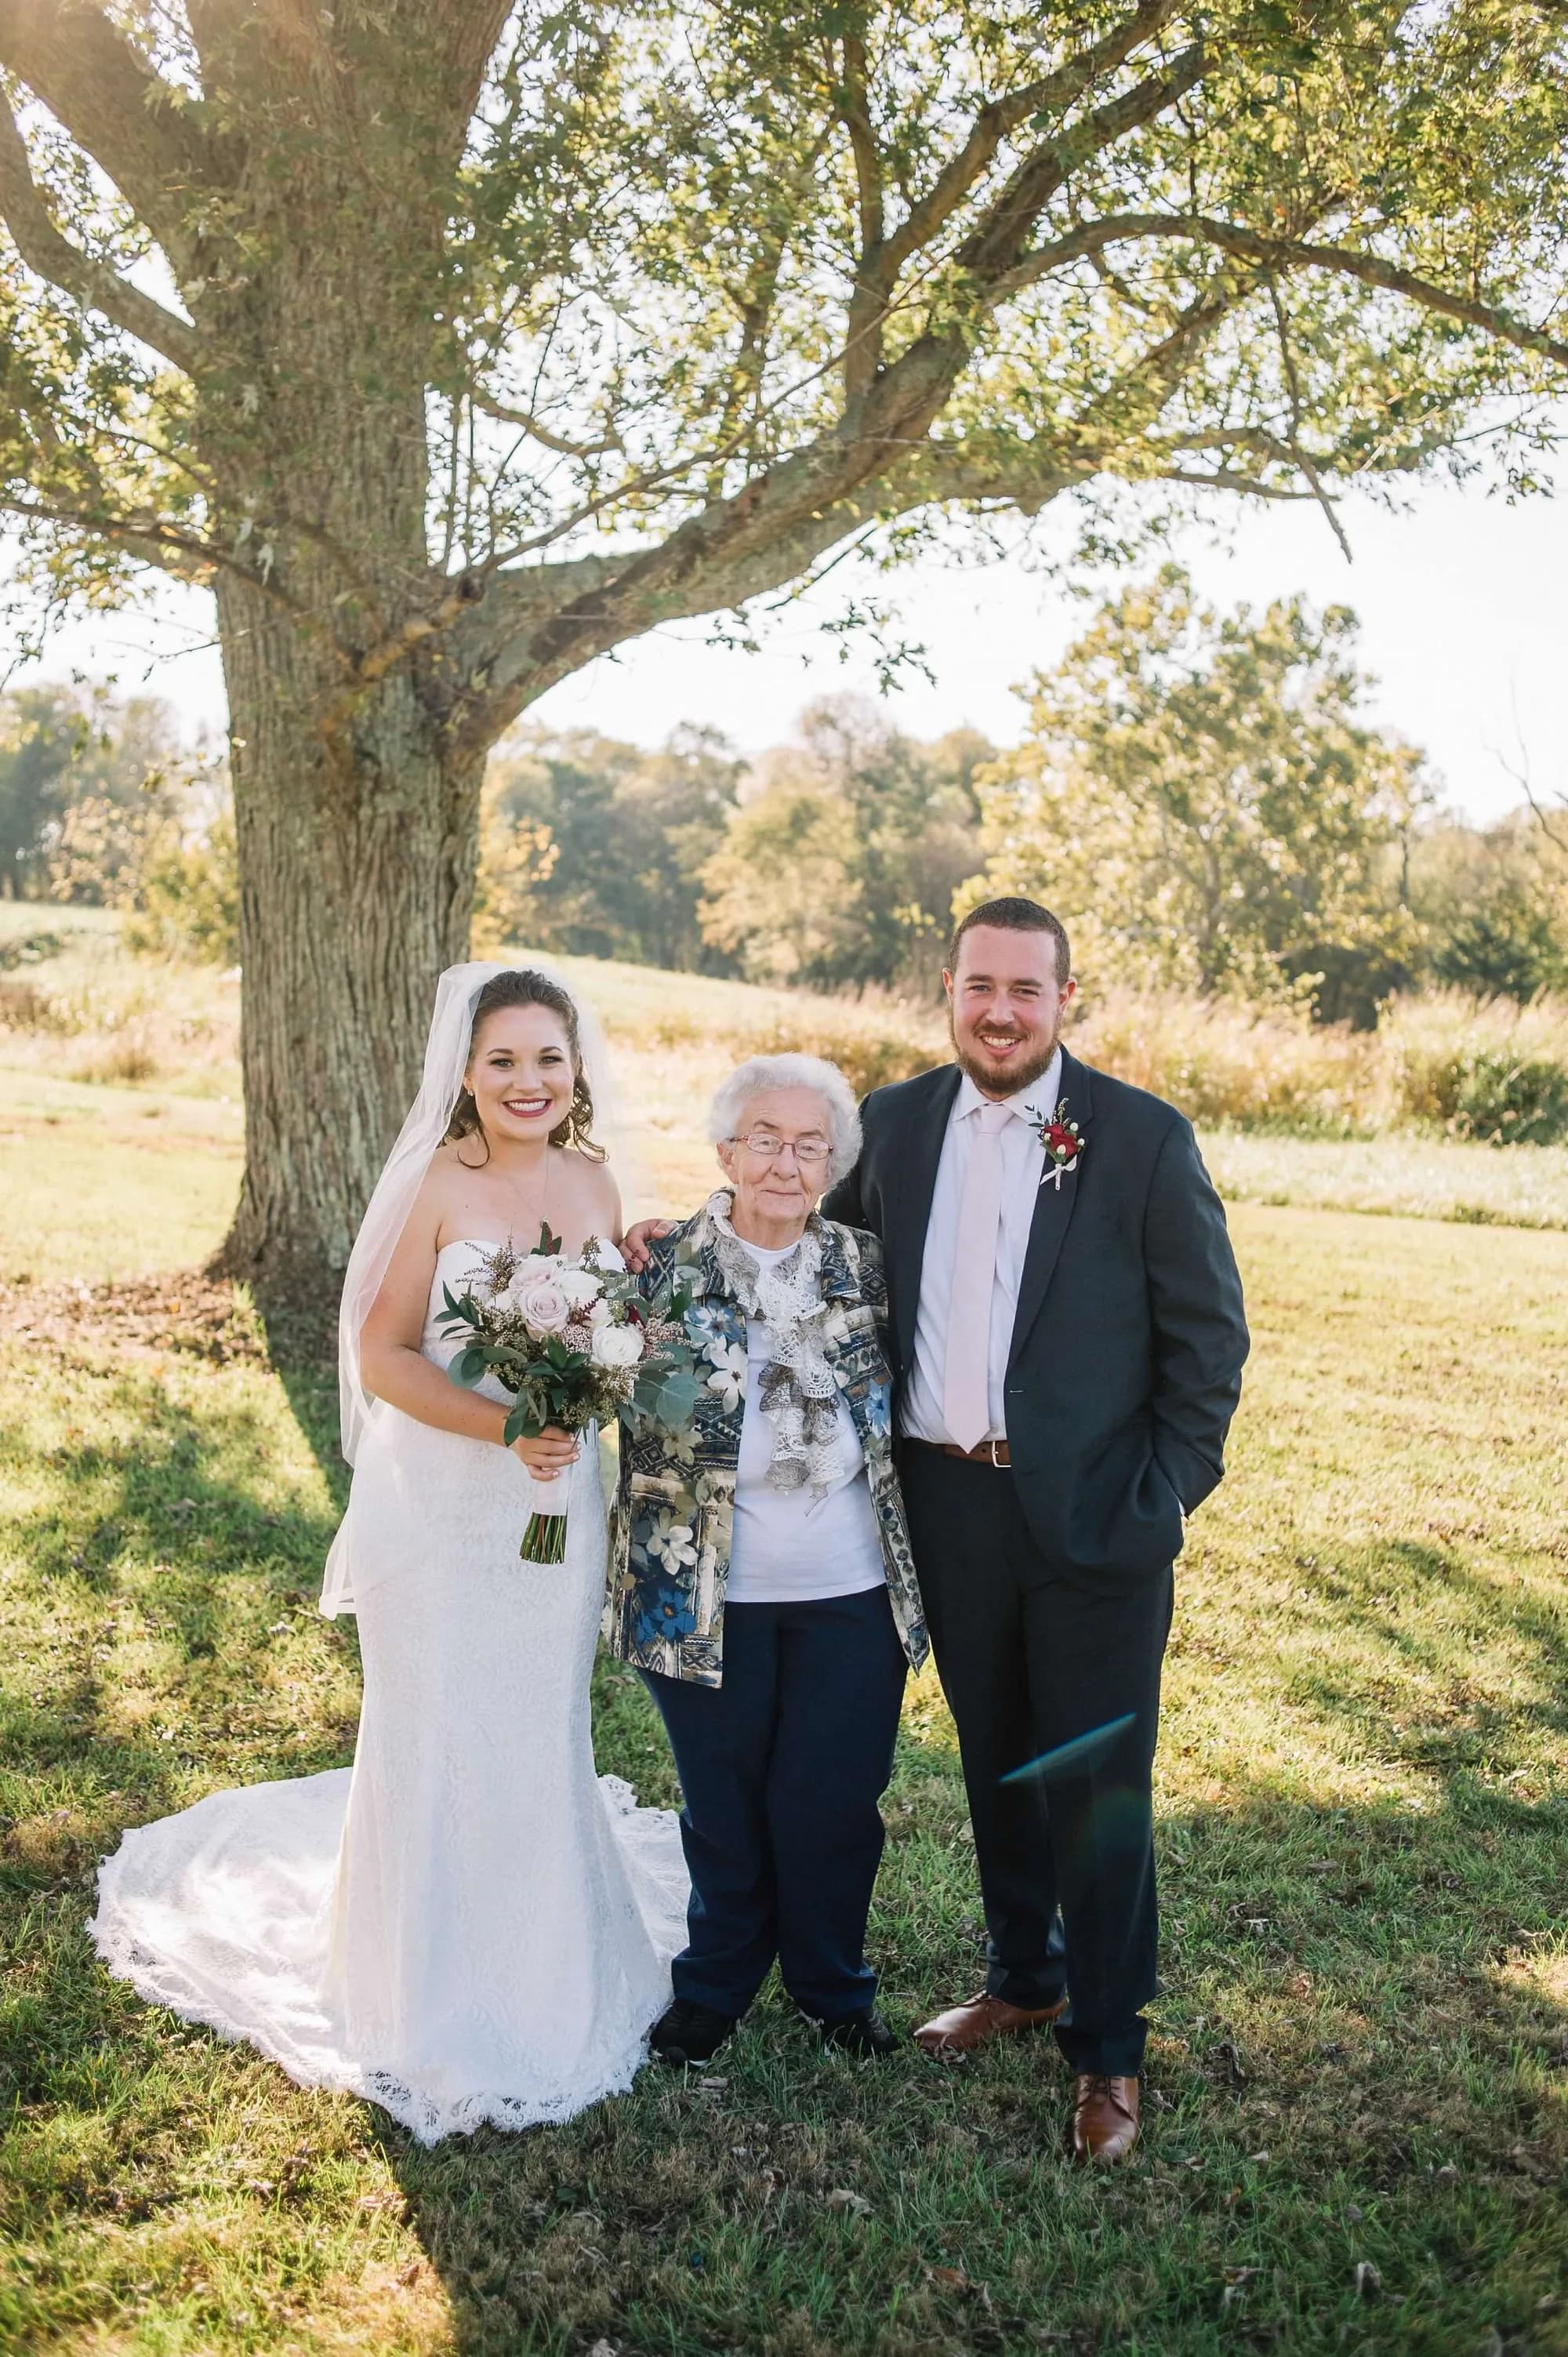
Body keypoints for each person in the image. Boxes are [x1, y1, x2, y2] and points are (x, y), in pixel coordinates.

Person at [626, 899, 1249, 2161]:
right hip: (942, 1504)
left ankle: (1111, 2050)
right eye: (980, 987)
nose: (1002, 1010)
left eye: (1027, 988)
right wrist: (668, 1235)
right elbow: (788, 1225)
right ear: (949, 993)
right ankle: (1025, 1972)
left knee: (1095, 1786)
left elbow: (1209, 1343)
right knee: (995, 1758)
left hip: (1094, 1519)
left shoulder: (1136, 1137)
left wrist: (1161, 1495)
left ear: (1065, 999)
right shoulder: (897, 1125)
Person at [90, 962, 688, 2143]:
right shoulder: (433, 1180)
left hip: (556, 1508)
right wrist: (511, 1421)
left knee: (535, 1718)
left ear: (578, 1070)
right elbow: (382, 1357)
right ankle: (419, 1984)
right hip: (449, 1507)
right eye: (503, 1058)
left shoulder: (595, 1175)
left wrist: (622, 1329)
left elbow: (617, 1325)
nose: (528, 1080)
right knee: (441, 1724)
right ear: (463, 1071)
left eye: (548, 1058)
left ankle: (548, 1965)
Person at [607, 1054, 929, 2066]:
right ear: (724, 1150)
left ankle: (833, 1987)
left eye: (809, 1144)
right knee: (725, 1804)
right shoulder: (654, 1268)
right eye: (765, 1139)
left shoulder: (870, 1265)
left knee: (831, 1802)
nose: (786, 1162)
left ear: (833, 1160)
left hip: (851, 1587)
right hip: (700, 1592)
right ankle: (717, 1983)